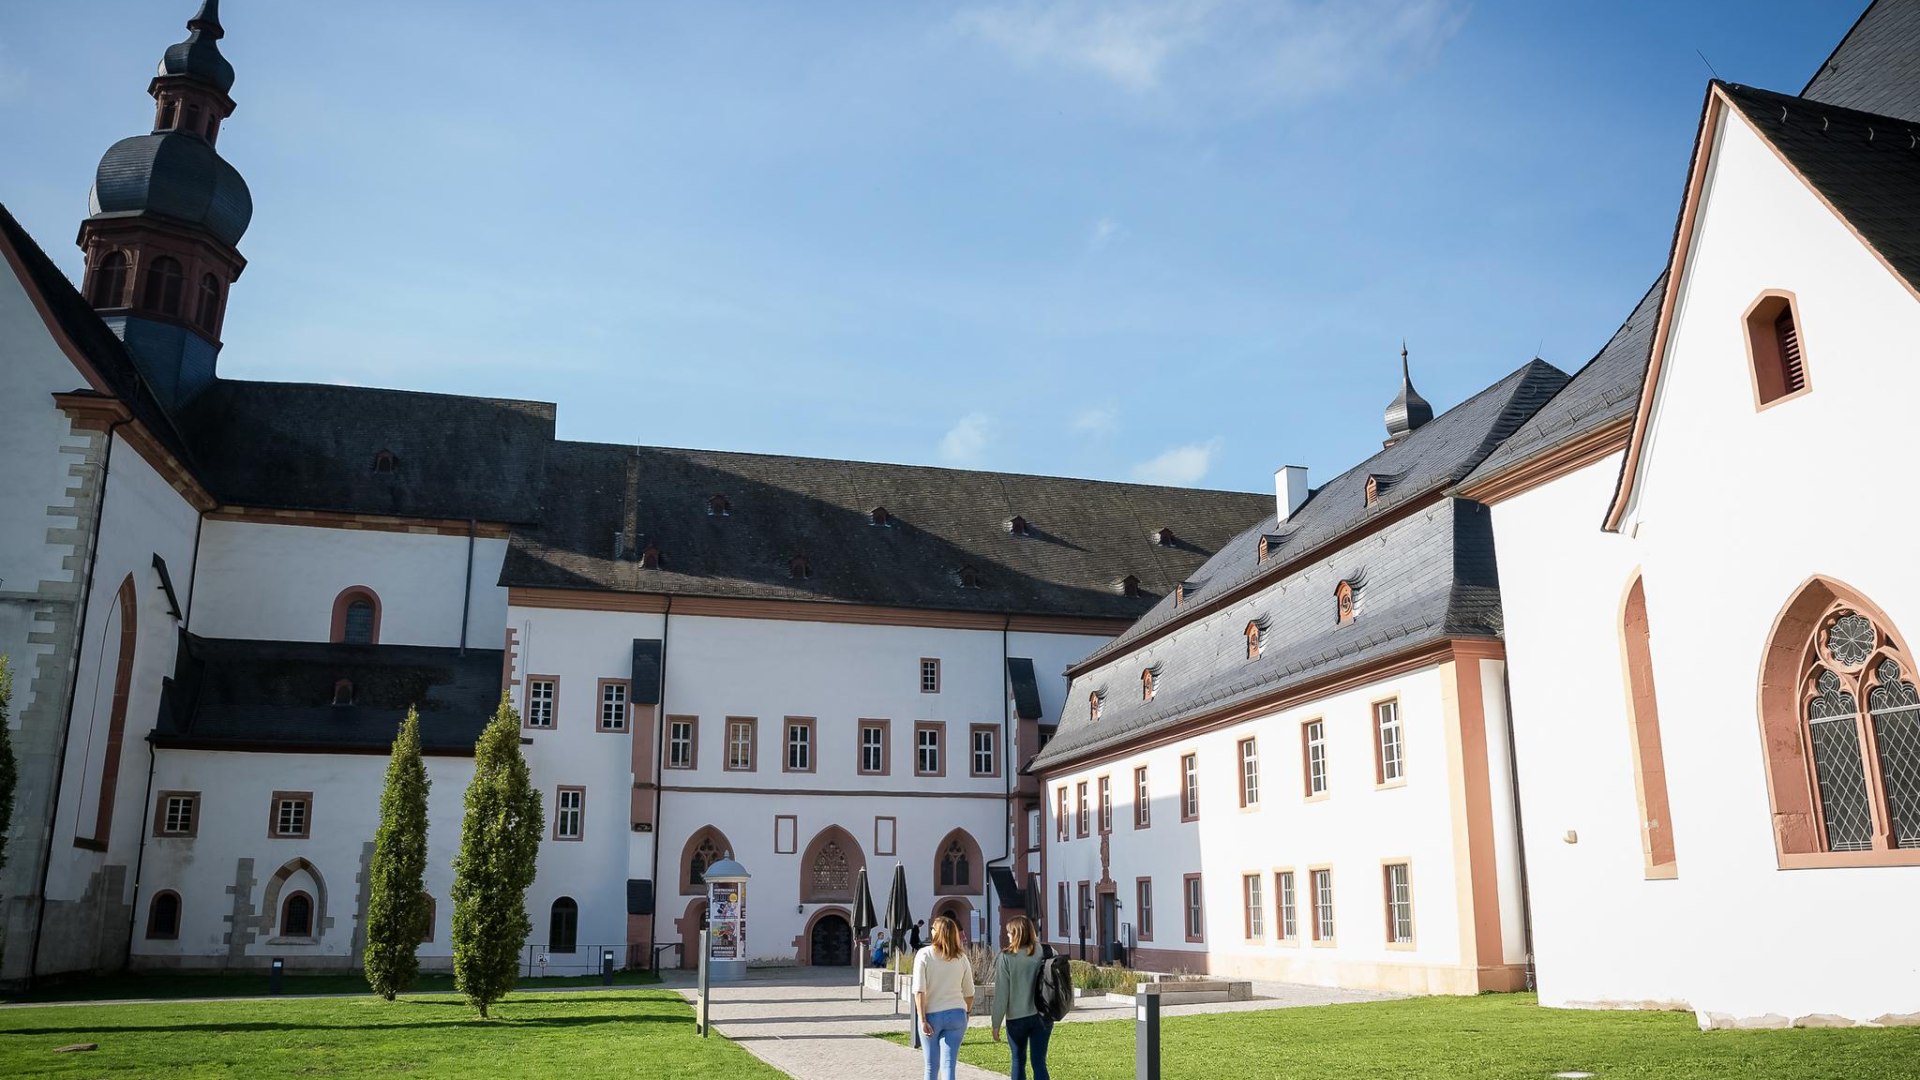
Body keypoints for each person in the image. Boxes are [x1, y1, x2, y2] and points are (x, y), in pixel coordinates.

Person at [913, 915, 974, 1080]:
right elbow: (969, 992)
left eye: (933, 928)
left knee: (931, 1066)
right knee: (949, 1064)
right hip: (956, 1014)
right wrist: (966, 1013)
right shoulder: (961, 958)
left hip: (931, 1015)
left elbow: (919, 991)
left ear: (936, 933)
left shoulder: (924, 954)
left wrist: (922, 1019)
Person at [990, 916, 1052, 1080]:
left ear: (1016, 934)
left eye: (1010, 933)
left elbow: (1002, 994)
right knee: (1039, 1062)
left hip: (1017, 1017)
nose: (1008, 936)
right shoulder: (1047, 951)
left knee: (1018, 1060)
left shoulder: (1007, 957)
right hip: (1042, 1015)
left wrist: (996, 1023)